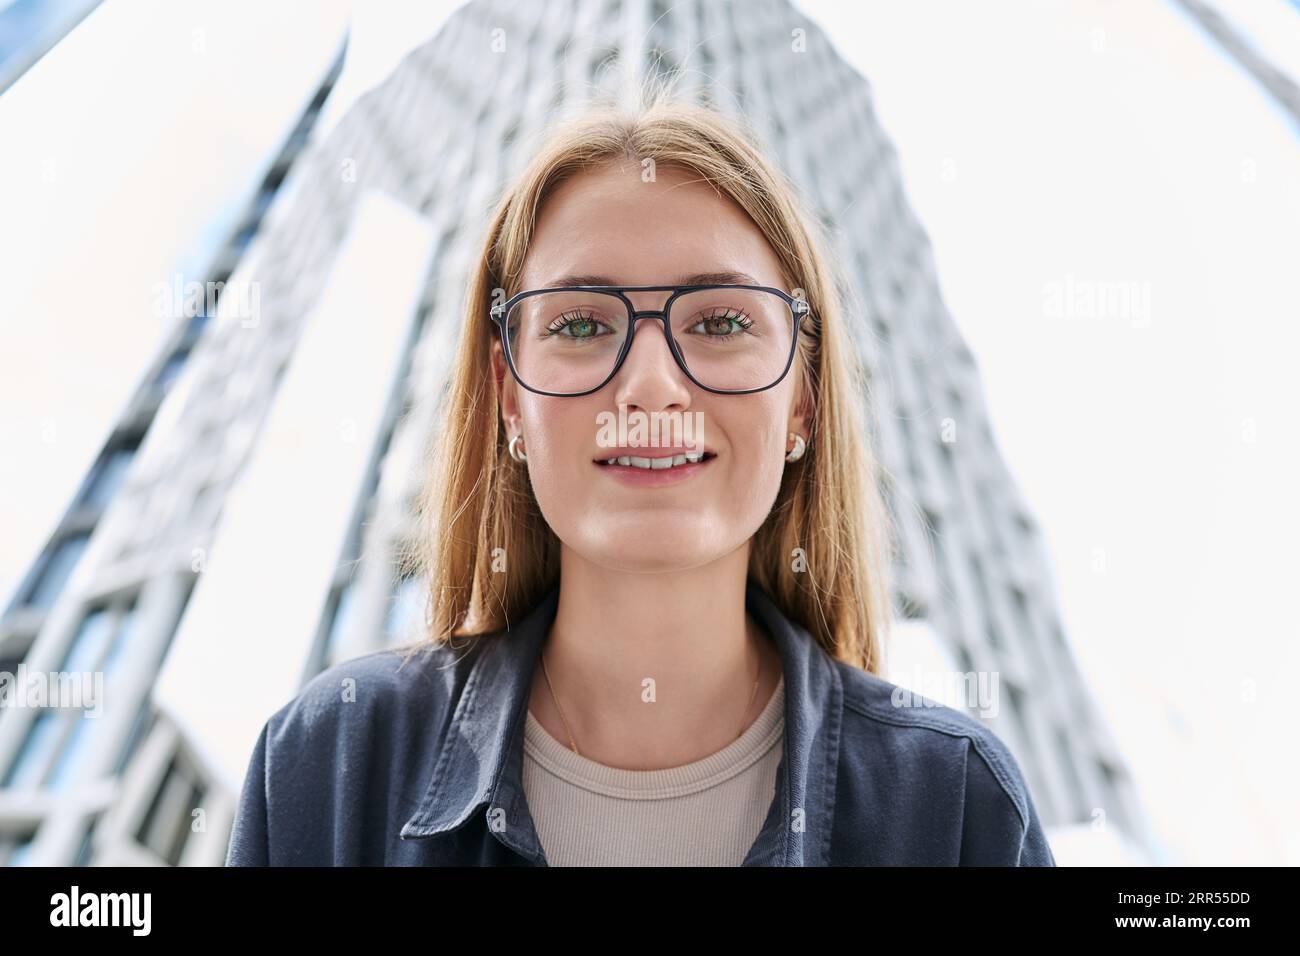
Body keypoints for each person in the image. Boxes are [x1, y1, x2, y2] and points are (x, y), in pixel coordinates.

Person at [225, 91, 1056, 867]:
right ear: (509, 396)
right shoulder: (325, 767)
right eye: (582, 323)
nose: (651, 384)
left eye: (723, 322)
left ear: (802, 399)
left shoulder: (958, 810)